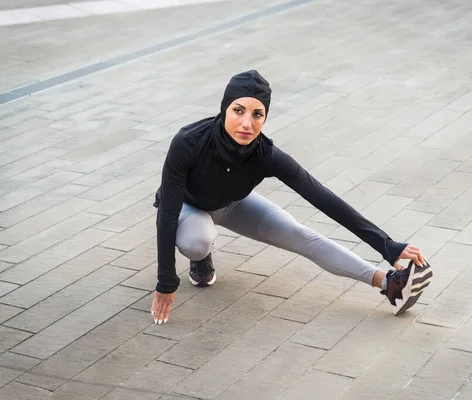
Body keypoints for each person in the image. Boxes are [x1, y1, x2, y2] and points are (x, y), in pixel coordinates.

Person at [150, 70, 433, 325]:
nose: (247, 123)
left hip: (231, 204)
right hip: (188, 207)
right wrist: (166, 282)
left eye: (257, 114)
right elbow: (168, 214)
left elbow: (322, 197)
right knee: (198, 241)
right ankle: (201, 260)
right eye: (238, 110)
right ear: (225, 109)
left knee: (300, 234)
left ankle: (389, 285)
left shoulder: (265, 155)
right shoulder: (188, 141)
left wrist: (387, 246)